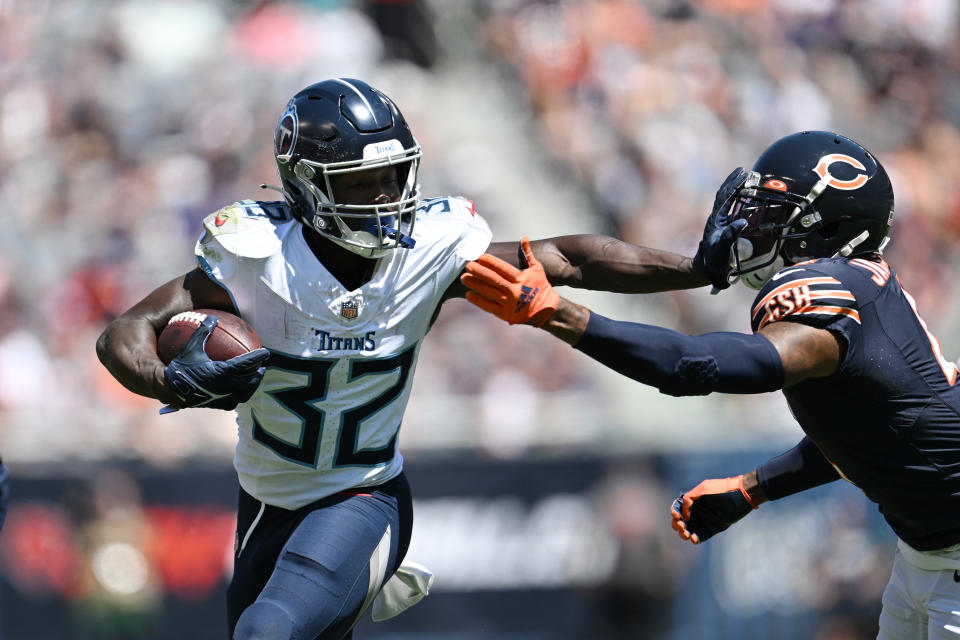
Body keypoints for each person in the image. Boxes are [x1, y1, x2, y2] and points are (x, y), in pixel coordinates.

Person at [96, 78, 734, 640]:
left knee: (269, 631)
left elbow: (571, 258)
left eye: (392, 176)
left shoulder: (431, 248)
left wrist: (696, 268)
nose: (384, 196)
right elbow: (123, 333)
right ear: (307, 187)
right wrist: (165, 378)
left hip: (361, 496)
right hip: (264, 504)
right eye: (362, 182)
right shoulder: (254, 257)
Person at [461, 130, 960, 640]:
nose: (748, 225)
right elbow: (874, 432)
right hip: (925, 555)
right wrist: (752, 488)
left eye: (772, 212)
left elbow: (694, 365)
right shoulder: (861, 289)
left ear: (827, 226)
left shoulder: (826, 295)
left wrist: (558, 314)